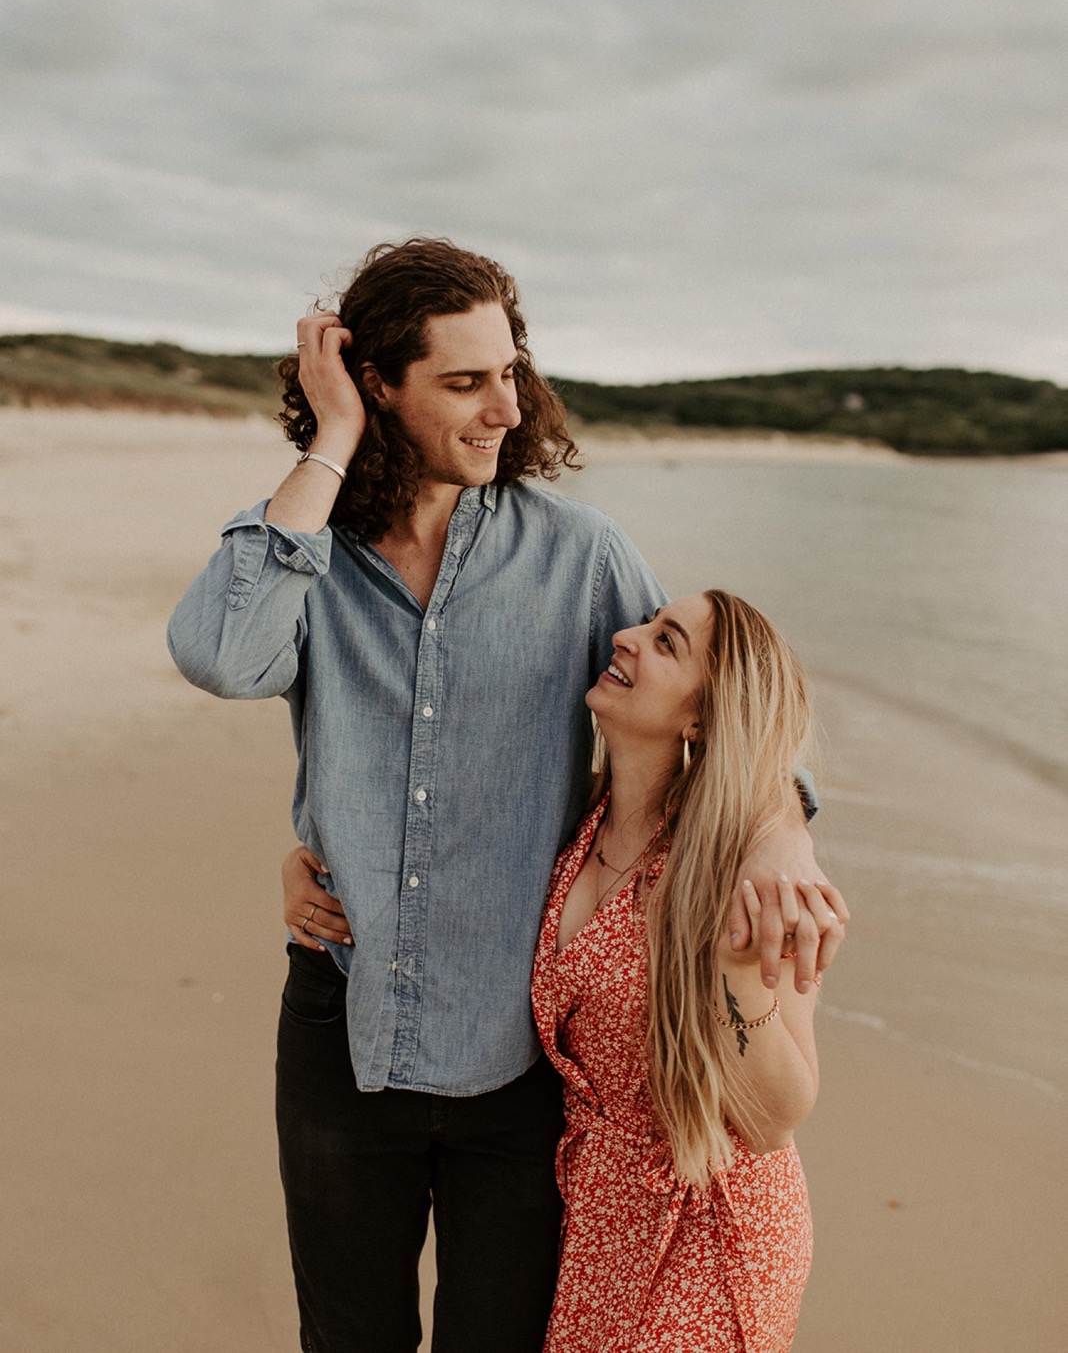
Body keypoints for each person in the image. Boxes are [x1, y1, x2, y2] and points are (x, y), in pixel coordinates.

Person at [168, 237, 846, 1353]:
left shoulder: (580, 555)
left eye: (511, 370)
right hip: (345, 1025)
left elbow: (729, 714)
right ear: (378, 382)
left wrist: (776, 839)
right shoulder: (308, 549)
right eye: (465, 380)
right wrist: (331, 439)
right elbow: (220, 654)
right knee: (347, 1336)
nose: (505, 405)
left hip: (521, 1067)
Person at [532, 590, 831, 1352]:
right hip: (599, 1221)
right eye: (648, 624)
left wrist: (734, 975)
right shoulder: (581, 822)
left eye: (666, 643)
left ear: (702, 719)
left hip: (712, 1226)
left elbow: (776, 1115)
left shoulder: (742, 871)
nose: (626, 637)